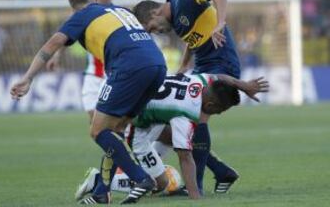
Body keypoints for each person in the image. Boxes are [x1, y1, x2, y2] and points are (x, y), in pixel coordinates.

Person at [10, 0, 167, 205]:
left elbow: (53, 42)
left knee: (97, 130)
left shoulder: (82, 15)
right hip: (158, 65)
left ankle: (141, 178)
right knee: (116, 129)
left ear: (72, 6)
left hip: (129, 67)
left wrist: (28, 77)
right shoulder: (119, 9)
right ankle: (102, 192)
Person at [75, 73, 269, 201]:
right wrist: (195, 197)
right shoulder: (187, 113)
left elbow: (221, 77)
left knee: (172, 138)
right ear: (210, 106)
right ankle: (98, 180)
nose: (217, 114)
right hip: (138, 130)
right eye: (219, 111)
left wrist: (243, 86)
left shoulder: (201, 81)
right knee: (161, 184)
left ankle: (219, 171)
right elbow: (185, 157)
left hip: (149, 108)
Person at [133, 0, 242, 194]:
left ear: (155, 13)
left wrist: (220, 23)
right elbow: (193, 37)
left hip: (222, 62)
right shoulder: (175, 18)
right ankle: (221, 171)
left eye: (151, 27)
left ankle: (196, 188)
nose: (155, 32)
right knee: (172, 125)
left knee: (197, 118)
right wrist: (184, 64)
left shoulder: (184, 2)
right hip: (203, 65)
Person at [47, 0, 116, 127]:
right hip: (93, 75)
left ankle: (116, 150)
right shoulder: (82, 14)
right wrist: (57, 57)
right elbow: (66, 35)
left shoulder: (119, 13)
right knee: (94, 123)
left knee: (110, 124)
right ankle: (114, 149)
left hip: (113, 75)